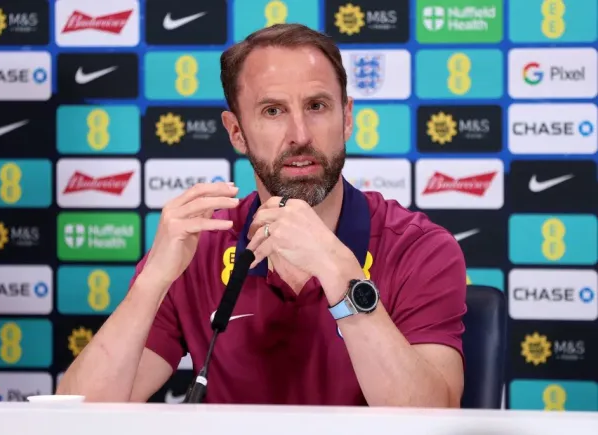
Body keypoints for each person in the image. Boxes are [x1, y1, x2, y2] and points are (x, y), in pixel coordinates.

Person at [56, 23, 467, 407]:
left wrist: (340, 271)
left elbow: (433, 418)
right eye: (273, 111)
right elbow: (78, 415)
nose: (300, 135)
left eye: (318, 106)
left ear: (347, 118)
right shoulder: (202, 244)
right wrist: (151, 285)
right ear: (236, 132)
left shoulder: (419, 248)